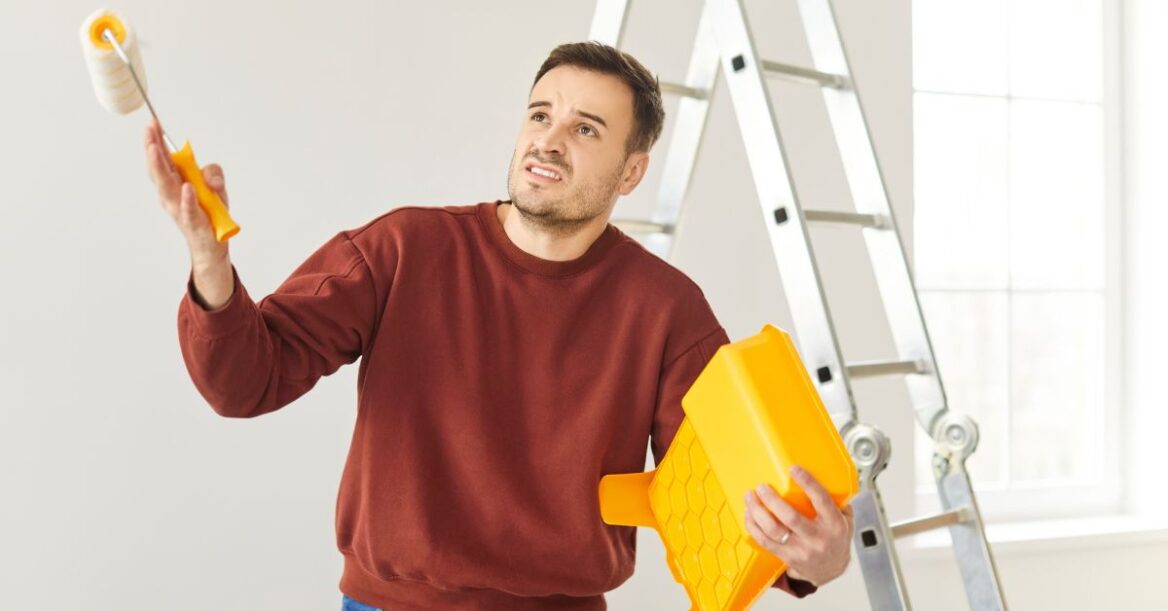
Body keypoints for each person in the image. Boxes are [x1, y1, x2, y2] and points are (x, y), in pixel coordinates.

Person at [145, 41, 854, 611]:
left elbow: (731, 495)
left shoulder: (666, 308)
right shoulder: (402, 250)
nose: (549, 141)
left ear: (631, 173)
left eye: (585, 129)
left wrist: (813, 559)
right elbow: (245, 381)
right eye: (540, 115)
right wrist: (209, 261)